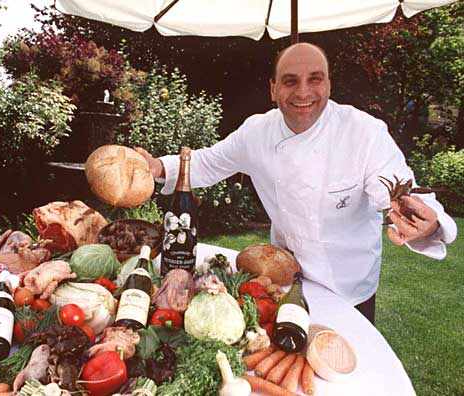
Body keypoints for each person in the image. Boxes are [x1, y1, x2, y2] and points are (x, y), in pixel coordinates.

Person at [135, 42, 458, 324]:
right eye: (290, 81)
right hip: (282, 278)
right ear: (273, 89)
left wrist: (424, 222)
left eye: (314, 79)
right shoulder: (256, 132)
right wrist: (157, 166)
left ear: (328, 84)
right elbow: (206, 162)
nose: (303, 92)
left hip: (348, 289)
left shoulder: (365, 132)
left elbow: (394, 188)